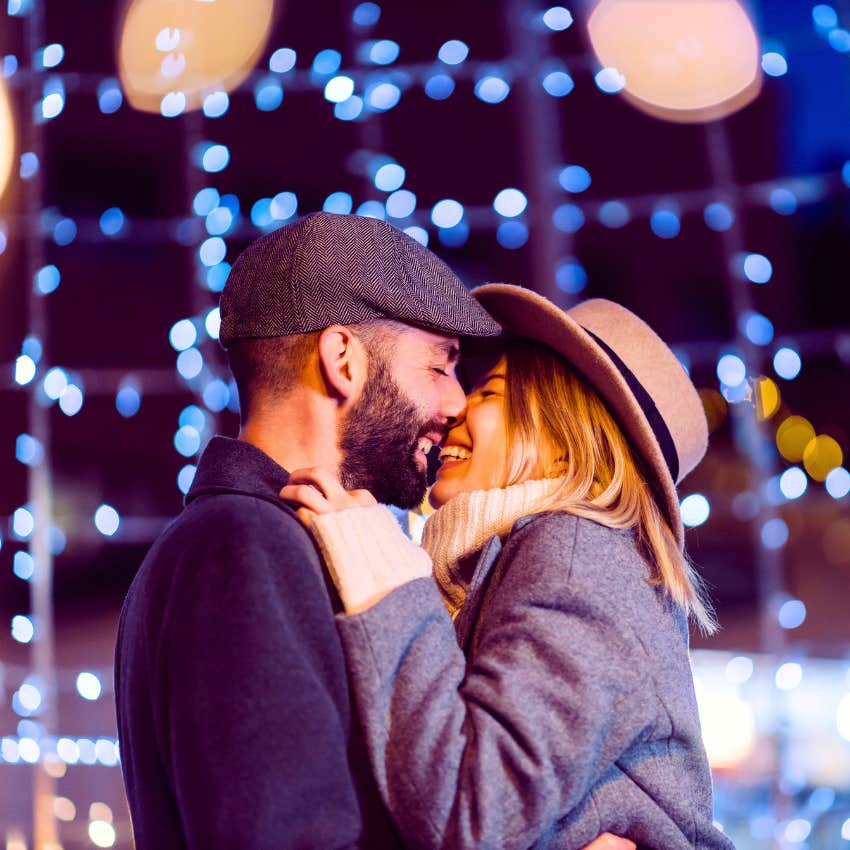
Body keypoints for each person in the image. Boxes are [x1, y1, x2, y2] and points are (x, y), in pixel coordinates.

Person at [114, 214, 633, 850]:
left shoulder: (272, 540)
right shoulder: (245, 545)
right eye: (440, 368)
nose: (454, 404)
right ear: (343, 362)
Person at [282, 284, 736, 850]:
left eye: (490, 393)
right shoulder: (520, 564)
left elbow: (473, 815)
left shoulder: (577, 555)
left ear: (565, 441)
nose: (455, 411)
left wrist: (386, 583)